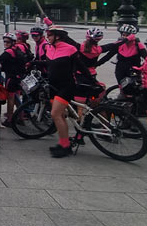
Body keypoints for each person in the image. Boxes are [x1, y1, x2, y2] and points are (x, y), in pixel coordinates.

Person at [42, 26, 88, 158]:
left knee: (55, 114)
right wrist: (33, 63)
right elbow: (49, 64)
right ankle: (64, 142)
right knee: (60, 116)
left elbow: (80, 65)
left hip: (66, 86)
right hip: (53, 86)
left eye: (50, 35)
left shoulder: (70, 49)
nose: (48, 37)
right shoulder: (49, 48)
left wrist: (91, 80)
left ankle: (66, 147)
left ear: (57, 36)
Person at [0, 33, 24, 126]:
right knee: (17, 98)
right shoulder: (16, 49)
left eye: (8, 42)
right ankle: (21, 117)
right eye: (4, 41)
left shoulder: (9, 52)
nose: (5, 43)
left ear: (13, 42)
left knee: (10, 98)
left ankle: (9, 119)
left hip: (11, 78)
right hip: (18, 77)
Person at [75, 28, 107, 105]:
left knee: (80, 100)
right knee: (95, 93)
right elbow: (113, 47)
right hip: (92, 74)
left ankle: (80, 115)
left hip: (79, 74)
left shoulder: (80, 47)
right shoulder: (98, 49)